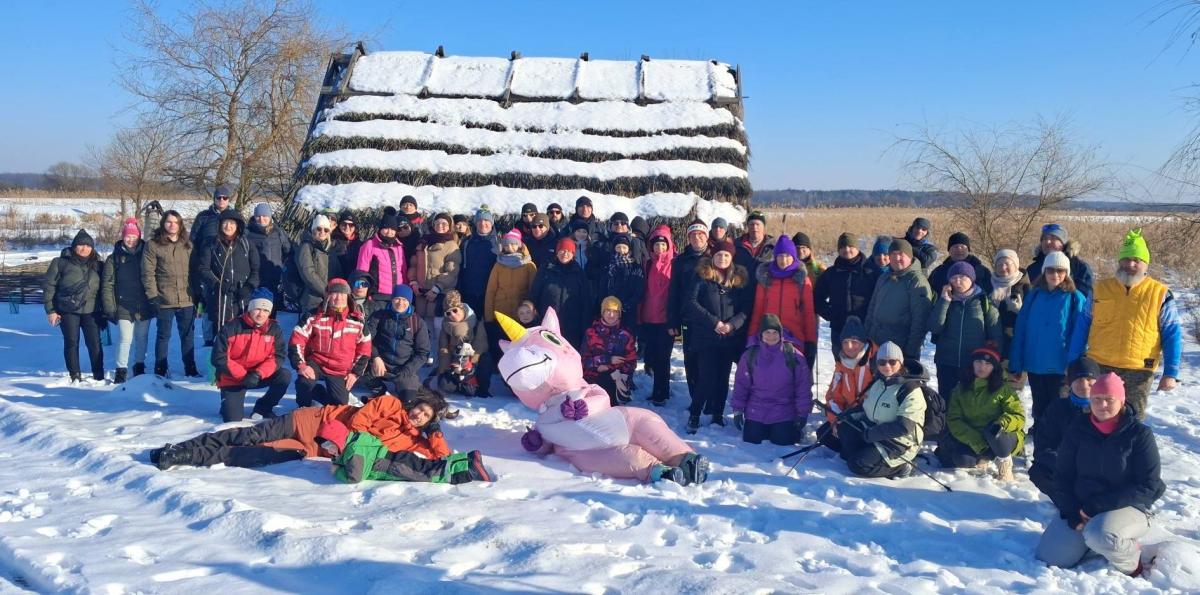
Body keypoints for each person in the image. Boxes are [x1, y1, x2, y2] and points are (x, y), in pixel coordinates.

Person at [1035, 373, 1165, 576]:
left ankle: (1132, 561)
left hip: (1128, 505)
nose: (1102, 404)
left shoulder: (1139, 434)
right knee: (1051, 556)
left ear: (1121, 401)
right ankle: (1094, 541)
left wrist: (1097, 506)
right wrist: (1070, 509)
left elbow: (1150, 484)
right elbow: (1062, 475)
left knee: (1101, 535)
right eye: (1097, 399)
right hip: (1083, 507)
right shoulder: (1077, 429)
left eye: (1109, 399)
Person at [1069, 229, 1181, 419]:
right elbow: (1082, 327)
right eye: (1126, 259)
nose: (1130, 264)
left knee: (1130, 423)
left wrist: (1171, 371)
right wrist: (1072, 363)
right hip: (1099, 366)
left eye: (1136, 260)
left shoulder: (1160, 294)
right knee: (1095, 419)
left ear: (1146, 264)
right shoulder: (1100, 289)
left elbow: (1172, 333)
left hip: (1138, 371)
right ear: (1119, 261)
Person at [683, 239, 752, 433]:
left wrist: (732, 325)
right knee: (706, 377)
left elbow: (745, 309)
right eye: (719, 255)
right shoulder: (702, 276)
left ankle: (718, 415)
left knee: (723, 378)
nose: (722, 258)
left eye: (726, 255)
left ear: (731, 258)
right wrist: (714, 323)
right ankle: (694, 414)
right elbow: (691, 302)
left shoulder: (739, 280)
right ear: (713, 257)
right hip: (706, 337)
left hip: (729, 338)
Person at [1008, 251, 1086, 423]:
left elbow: (1080, 335)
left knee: (1059, 411)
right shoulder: (1034, 296)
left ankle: (1058, 445)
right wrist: (1016, 363)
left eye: (1060, 270)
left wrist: (1074, 366)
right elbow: (1021, 330)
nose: (1055, 275)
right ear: (1044, 271)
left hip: (1061, 367)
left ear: (1067, 273)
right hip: (1035, 365)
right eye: (1050, 270)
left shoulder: (1075, 298)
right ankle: (1040, 438)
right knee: (1039, 408)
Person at [831, 342, 928, 479]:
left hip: (898, 442)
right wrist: (845, 417)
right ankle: (864, 452)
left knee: (857, 464)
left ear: (900, 363)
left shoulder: (910, 390)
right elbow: (865, 408)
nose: (887, 366)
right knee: (838, 432)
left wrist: (871, 434)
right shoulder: (878, 383)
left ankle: (902, 467)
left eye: (892, 361)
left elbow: (904, 427)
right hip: (873, 430)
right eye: (882, 362)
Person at [934, 345, 1024, 481]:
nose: (982, 367)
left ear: (994, 367)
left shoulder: (1004, 389)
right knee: (962, 460)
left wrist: (1002, 423)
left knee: (994, 432)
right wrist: (976, 440)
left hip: (1001, 436)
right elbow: (954, 419)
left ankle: (1005, 463)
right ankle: (984, 458)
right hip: (975, 438)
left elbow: (1018, 416)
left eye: (988, 364)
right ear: (972, 364)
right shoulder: (961, 388)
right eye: (978, 362)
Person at [730, 314, 812, 445]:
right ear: (761, 334)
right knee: (752, 440)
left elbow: (802, 387)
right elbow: (741, 385)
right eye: (767, 332)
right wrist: (738, 410)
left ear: (780, 334)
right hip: (756, 409)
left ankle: (791, 430)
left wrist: (802, 413)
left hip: (784, 410)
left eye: (775, 332)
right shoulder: (750, 355)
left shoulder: (794, 356)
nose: (771, 336)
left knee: (782, 441)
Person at [211, 289, 291, 421]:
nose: (261, 314)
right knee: (233, 419)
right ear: (250, 308)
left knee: (284, 375)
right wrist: (243, 375)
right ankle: (227, 404)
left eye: (266, 311)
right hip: (233, 378)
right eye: (258, 309)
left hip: (257, 375)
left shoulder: (274, 329)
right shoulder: (231, 327)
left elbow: (278, 356)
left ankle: (263, 408)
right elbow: (218, 357)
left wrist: (258, 373)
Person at [290, 278, 372, 406]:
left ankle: (321, 393)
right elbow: (297, 340)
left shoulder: (357, 320)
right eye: (334, 293)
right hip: (317, 362)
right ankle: (304, 405)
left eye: (342, 294)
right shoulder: (313, 316)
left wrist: (354, 374)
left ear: (348, 296)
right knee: (305, 382)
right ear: (327, 296)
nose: (339, 298)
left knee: (339, 403)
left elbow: (365, 349)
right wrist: (302, 365)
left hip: (340, 368)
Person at [927, 261, 1002, 398]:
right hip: (946, 362)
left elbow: (995, 334)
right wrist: (944, 301)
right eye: (954, 277)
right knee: (946, 401)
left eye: (963, 277)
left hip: (974, 364)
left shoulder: (983, 301)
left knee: (970, 403)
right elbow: (935, 327)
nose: (958, 281)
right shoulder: (945, 300)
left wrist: (994, 362)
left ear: (971, 279)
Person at [1029, 356, 1098, 501]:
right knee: (1039, 472)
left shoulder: (1105, 408)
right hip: (1065, 467)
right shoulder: (1057, 408)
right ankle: (1066, 501)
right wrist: (1067, 465)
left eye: (1089, 380)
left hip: (1097, 471)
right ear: (1069, 383)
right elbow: (1043, 447)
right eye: (1078, 380)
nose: (1084, 385)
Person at [478, 228, 536, 397]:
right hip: (500, 313)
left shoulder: (528, 265)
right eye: (507, 244)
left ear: (519, 246)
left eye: (513, 244)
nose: (510, 247)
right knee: (499, 347)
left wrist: (530, 315)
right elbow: (491, 291)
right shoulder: (499, 264)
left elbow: (532, 291)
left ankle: (516, 384)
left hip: (520, 317)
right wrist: (489, 316)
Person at [142, 210, 200, 378]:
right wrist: (153, 295)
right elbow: (147, 273)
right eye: (168, 222)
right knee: (163, 336)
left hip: (186, 298)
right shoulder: (153, 245)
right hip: (164, 299)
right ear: (163, 223)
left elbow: (194, 271)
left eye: (175, 222)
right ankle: (160, 369)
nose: (172, 225)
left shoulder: (188, 244)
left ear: (180, 225)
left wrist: (197, 294)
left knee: (187, 336)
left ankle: (190, 368)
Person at [749, 235, 817, 375]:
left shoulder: (802, 280)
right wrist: (752, 337)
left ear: (793, 256)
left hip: (794, 338)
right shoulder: (765, 278)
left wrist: (811, 341)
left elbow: (809, 313)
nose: (783, 260)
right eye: (780, 256)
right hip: (768, 336)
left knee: (793, 378)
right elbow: (758, 311)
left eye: (787, 255)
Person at [44, 229, 104, 382]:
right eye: (81, 245)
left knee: (95, 344)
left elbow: (106, 288)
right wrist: (51, 310)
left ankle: (99, 375)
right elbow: (49, 286)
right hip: (68, 311)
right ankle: (74, 375)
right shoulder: (60, 263)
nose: (84, 248)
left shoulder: (98, 265)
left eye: (88, 245)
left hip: (91, 311)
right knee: (71, 342)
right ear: (74, 246)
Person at [865, 239, 933, 360]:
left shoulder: (916, 281)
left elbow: (920, 320)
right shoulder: (884, 277)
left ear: (909, 256)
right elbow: (872, 308)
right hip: (876, 343)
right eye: (893, 255)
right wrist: (867, 335)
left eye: (901, 255)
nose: (897, 259)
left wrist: (911, 350)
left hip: (900, 348)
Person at [102, 218, 151, 383]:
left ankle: (139, 366)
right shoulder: (113, 258)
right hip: (123, 305)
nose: (131, 239)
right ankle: (121, 370)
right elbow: (107, 284)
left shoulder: (147, 255)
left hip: (144, 305)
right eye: (128, 236)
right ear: (123, 237)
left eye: (134, 236)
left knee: (142, 337)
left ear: (139, 237)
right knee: (125, 338)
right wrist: (110, 306)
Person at [197, 210, 260, 335]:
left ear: (238, 226)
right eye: (225, 223)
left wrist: (249, 287)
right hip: (220, 298)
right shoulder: (211, 244)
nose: (228, 226)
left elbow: (256, 270)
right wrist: (217, 284)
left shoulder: (247, 244)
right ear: (220, 225)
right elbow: (203, 269)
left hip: (242, 298)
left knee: (243, 333)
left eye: (232, 223)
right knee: (221, 335)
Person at [816, 317, 874, 451]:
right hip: (848, 416)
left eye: (854, 342)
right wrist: (837, 420)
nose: (849, 347)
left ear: (863, 342)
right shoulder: (841, 364)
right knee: (823, 435)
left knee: (848, 440)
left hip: (870, 418)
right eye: (845, 342)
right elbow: (833, 396)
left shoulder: (876, 362)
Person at [668, 220, 710, 402]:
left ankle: (709, 401)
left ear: (706, 237)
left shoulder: (715, 258)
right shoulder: (681, 261)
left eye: (701, 234)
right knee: (690, 360)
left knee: (707, 362)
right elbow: (674, 292)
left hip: (710, 319)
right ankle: (695, 399)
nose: (697, 238)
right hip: (688, 319)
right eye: (693, 235)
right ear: (688, 238)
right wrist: (672, 320)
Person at [815, 232, 876, 357]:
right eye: (842, 247)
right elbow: (817, 297)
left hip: (865, 328)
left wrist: (871, 318)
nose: (847, 250)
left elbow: (879, 299)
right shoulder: (831, 273)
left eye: (850, 246)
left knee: (866, 367)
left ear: (857, 248)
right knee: (841, 364)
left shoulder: (870, 271)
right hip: (839, 328)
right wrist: (831, 314)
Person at [366, 284, 430, 402]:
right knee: (358, 369)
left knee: (408, 399)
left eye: (405, 300)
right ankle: (379, 389)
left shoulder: (417, 322)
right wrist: (375, 357)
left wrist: (407, 370)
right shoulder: (379, 316)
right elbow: (366, 339)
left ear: (409, 302)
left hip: (403, 367)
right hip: (380, 364)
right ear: (392, 299)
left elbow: (423, 353)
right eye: (397, 298)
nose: (400, 303)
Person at [191, 186, 237, 346]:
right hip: (207, 267)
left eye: (225, 198)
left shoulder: (235, 217)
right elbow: (193, 242)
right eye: (219, 198)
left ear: (229, 199)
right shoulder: (204, 217)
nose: (222, 201)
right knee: (208, 306)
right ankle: (209, 342)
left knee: (228, 307)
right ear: (214, 199)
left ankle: (227, 343)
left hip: (227, 267)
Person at [528, 237, 592, 349]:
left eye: (568, 251)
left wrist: (585, 327)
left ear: (573, 254)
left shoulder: (579, 274)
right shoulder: (545, 270)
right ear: (557, 252)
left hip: (572, 326)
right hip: (547, 324)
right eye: (562, 250)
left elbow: (586, 302)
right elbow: (534, 295)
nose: (565, 254)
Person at [408, 212, 460, 342]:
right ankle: (423, 358)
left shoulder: (451, 245)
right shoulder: (423, 242)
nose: (440, 226)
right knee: (421, 329)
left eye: (444, 223)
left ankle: (436, 360)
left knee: (437, 331)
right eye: (438, 222)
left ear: (449, 227)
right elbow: (413, 264)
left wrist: (437, 288)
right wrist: (413, 281)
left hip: (438, 293)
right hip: (421, 293)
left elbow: (452, 271)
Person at [639, 226, 676, 406]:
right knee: (652, 356)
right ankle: (658, 390)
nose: (659, 248)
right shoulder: (648, 264)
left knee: (663, 358)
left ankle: (662, 393)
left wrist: (674, 318)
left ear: (668, 245)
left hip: (665, 319)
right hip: (649, 317)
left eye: (663, 244)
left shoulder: (674, 264)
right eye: (656, 244)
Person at [582, 297, 637, 405]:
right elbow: (583, 361)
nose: (611, 315)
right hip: (593, 378)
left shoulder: (626, 335)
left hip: (617, 379)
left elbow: (631, 362)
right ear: (602, 312)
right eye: (608, 311)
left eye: (615, 312)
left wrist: (618, 374)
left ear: (619, 314)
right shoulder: (591, 333)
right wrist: (606, 361)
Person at [436, 290, 487, 396]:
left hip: (471, 363)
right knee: (444, 386)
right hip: (453, 362)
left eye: (455, 310)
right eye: (448, 313)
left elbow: (480, 346)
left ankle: (472, 383)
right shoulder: (446, 325)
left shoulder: (475, 322)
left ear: (461, 308)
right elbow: (443, 348)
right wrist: (446, 369)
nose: (452, 315)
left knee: (470, 390)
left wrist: (468, 368)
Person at [245, 203, 292, 312]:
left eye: (265, 216)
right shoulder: (248, 234)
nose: (261, 219)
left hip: (275, 278)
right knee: (256, 309)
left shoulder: (279, 232)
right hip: (256, 277)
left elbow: (288, 251)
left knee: (272, 309)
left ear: (270, 216)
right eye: (258, 216)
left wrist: (285, 270)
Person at [1027, 223, 1094, 299]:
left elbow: (1085, 302)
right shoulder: (1032, 269)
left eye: (1053, 238)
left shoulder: (1080, 268)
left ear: (1063, 243)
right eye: (1044, 238)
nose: (1048, 242)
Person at [356, 211, 407, 309]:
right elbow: (361, 272)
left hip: (397, 296)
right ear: (380, 229)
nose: (389, 232)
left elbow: (403, 271)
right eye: (386, 228)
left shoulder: (399, 247)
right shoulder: (369, 245)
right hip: (377, 295)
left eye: (392, 229)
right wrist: (365, 292)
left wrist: (405, 290)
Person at [295, 214, 343, 318]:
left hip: (329, 299)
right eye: (319, 229)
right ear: (313, 230)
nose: (322, 232)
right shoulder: (306, 246)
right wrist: (325, 290)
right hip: (312, 299)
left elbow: (337, 273)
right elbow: (307, 271)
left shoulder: (330, 249)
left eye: (326, 230)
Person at [990, 249, 1031, 360]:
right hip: (991, 345)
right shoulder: (988, 285)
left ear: (1016, 265)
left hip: (1017, 344)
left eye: (1007, 264)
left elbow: (1034, 318)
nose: (1003, 268)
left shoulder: (1025, 287)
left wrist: (1020, 311)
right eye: (999, 264)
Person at [458, 206, 498, 319]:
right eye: (479, 220)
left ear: (492, 223)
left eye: (486, 220)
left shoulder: (499, 243)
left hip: (489, 293)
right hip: (469, 292)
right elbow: (460, 267)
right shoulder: (466, 242)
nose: (483, 223)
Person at [599, 235, 645, 331]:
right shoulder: (608, 265)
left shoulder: (635, 267)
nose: (621, 250)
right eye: (618, 247)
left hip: (628, 310)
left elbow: (639, 290)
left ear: (629, 249)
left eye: (624, 247)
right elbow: (602, 287)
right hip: (610, 310)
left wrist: (627, 304)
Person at [928, 232, 993, 293]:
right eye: (955, 247)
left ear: (968, 249)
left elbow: (990, 292)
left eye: (962, 246)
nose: (959, 249)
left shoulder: (982, 271)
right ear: (949, 250)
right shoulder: (938, 272)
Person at [734, 210, 775, 294]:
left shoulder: (773, 247)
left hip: (764, 292)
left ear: (763, 227)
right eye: (751, 224)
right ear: (747, 227)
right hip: (740, 293)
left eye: (758, 224)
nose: (754, 228)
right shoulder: (737, 245)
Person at [331, 210, 364, 277]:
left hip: (353, 282)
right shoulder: (332, 241)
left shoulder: (360, 245)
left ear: (355, 227)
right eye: (344, 224)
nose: (347, 227)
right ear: (339, 225)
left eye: (351, 225)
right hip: (335, 281)